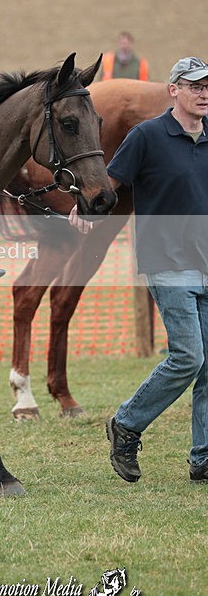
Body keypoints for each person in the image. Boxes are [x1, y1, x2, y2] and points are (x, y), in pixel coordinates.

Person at [71, 56, 208, 483]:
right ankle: (127, 423)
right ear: (174, 90)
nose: (204, 94)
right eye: (195, 86)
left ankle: (203, 457)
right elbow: (109, 184)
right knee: (188, 356)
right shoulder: (147, 135)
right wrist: (86, 210)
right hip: (166, 262)